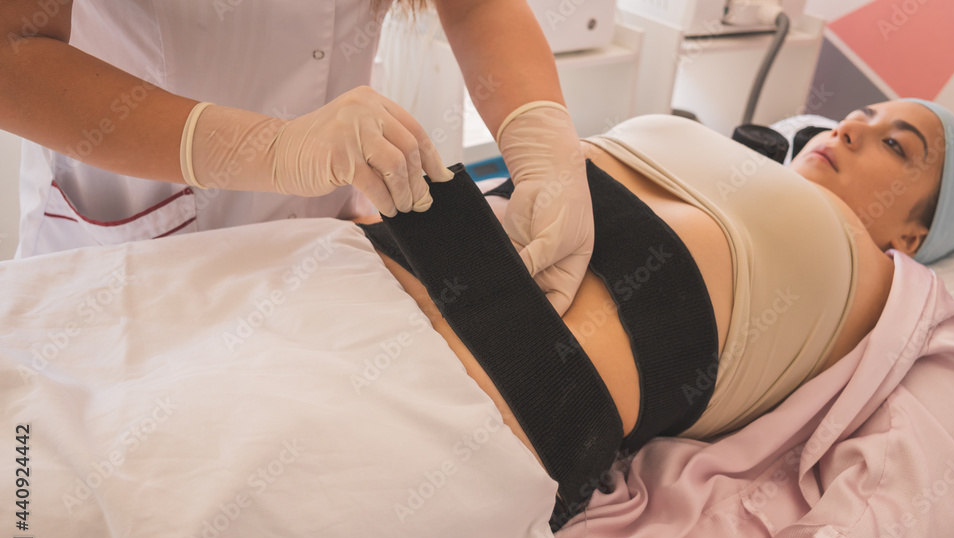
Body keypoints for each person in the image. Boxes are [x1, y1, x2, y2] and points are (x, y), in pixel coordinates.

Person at [360, 98, 954, 538]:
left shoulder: (924, 320)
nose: (851, 131)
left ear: (913, 234)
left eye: (895, 144)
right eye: (861, 115)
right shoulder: (732, 154)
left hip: (473, 403)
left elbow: (918, 513)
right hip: (370, 264)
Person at [0, 0, 594, 314]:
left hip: (324, 247)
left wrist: (541, 140)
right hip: (131, 261)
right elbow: (12, 54)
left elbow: (472, 5)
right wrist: (266, 149)